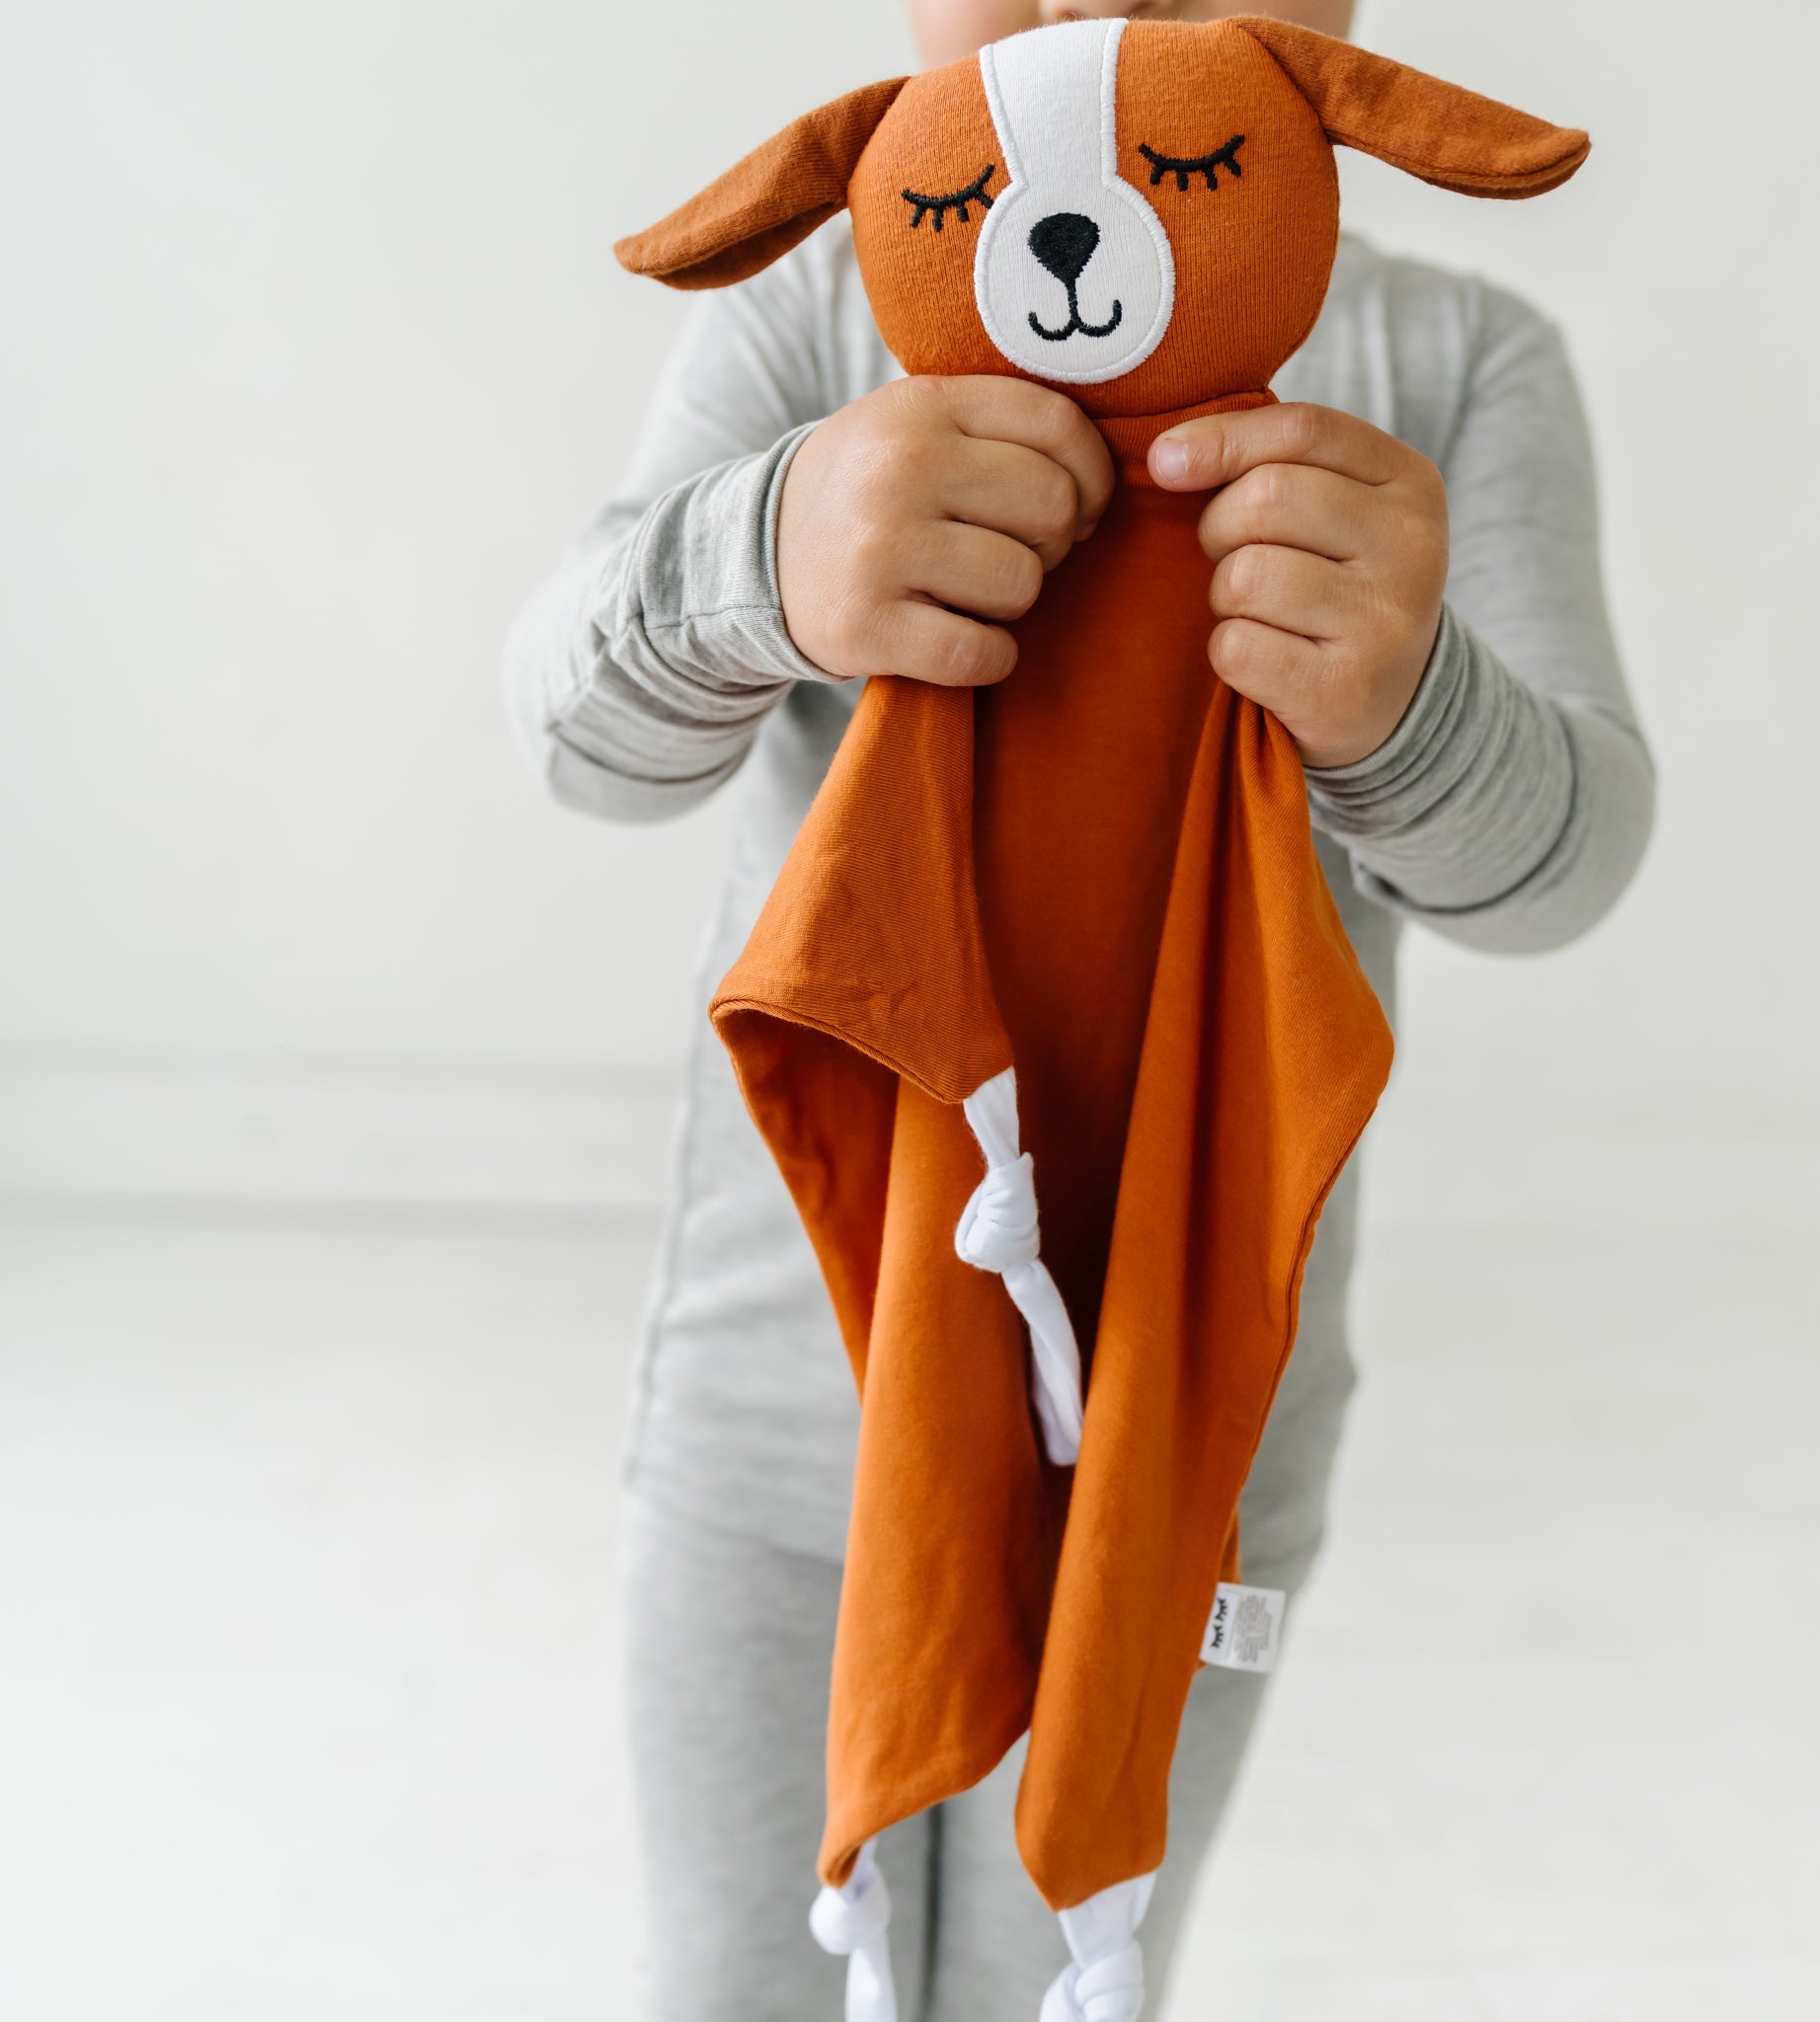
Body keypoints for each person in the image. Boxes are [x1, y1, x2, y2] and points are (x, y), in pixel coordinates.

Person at [505, 0, 1654, 2013]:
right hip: (783, 1407)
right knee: (736, 1974)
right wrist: (767, 553)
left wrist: (1407, 707)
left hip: (1187, 1437)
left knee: (1066, 1972)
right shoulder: (812, 318)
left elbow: (1561, 868)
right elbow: (575, 741)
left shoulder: (1455, 363)